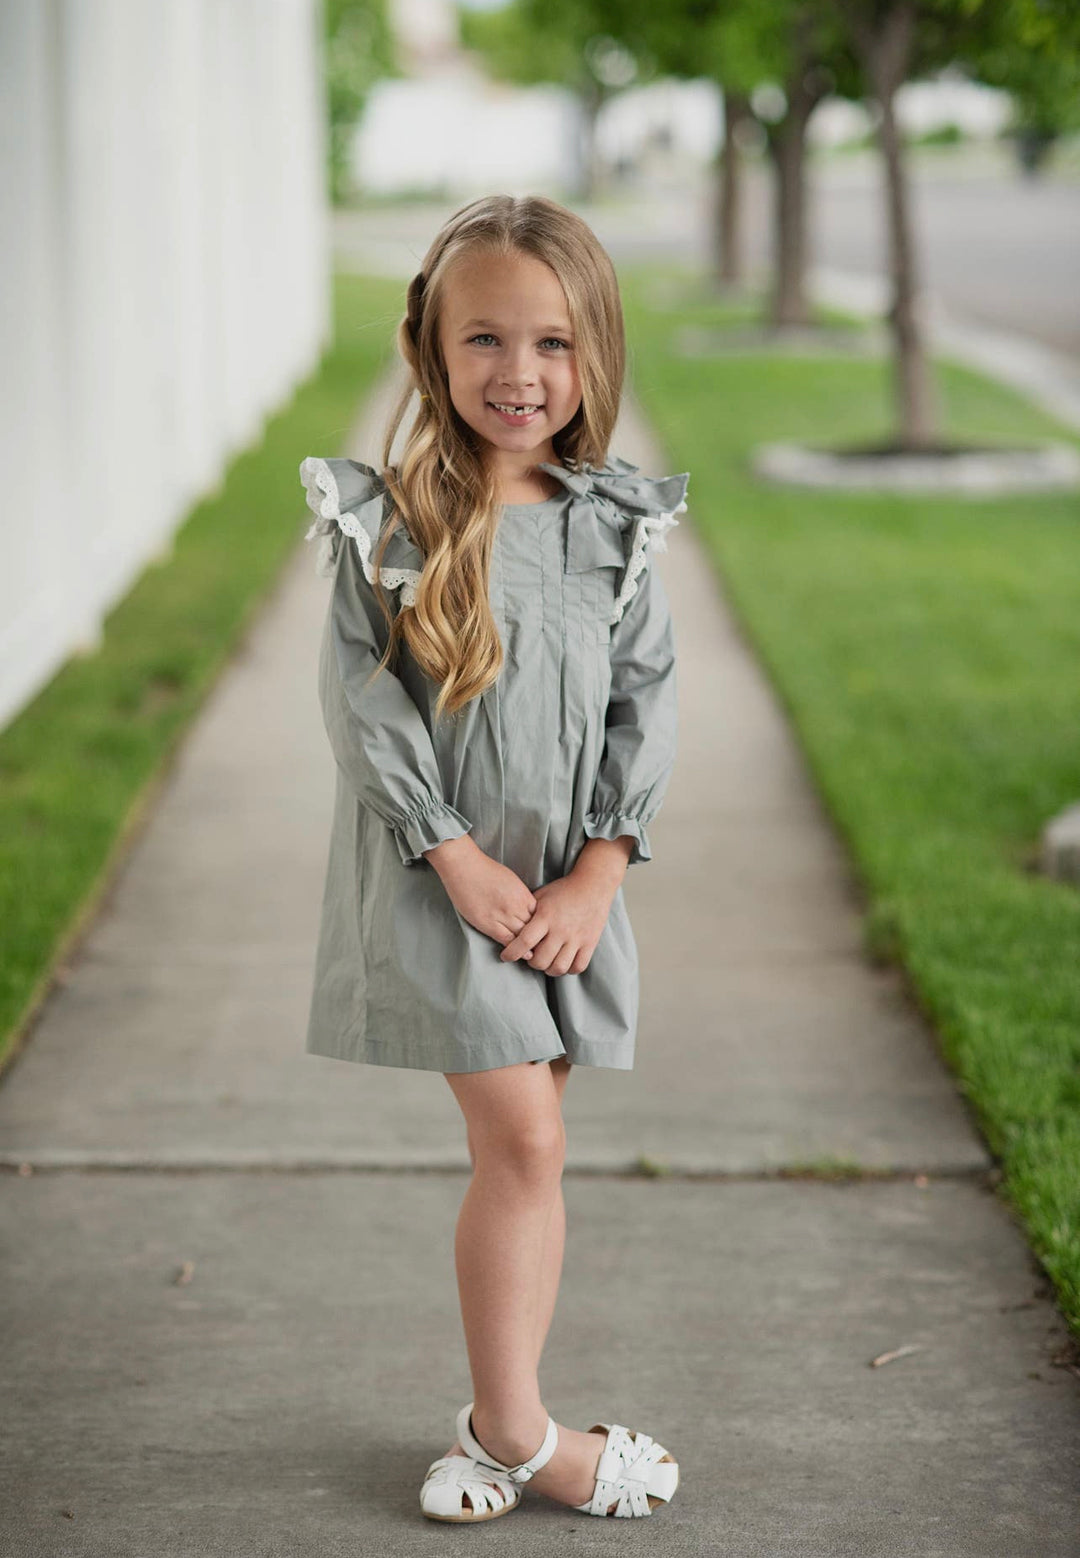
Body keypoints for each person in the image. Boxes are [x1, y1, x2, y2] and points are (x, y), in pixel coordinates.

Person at [298, 193, 688, 1523]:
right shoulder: (390, 519)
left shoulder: (615, 523)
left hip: (563, 892)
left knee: (532, 1150)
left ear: (595, 353)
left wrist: (600, 873)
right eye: (485, 338)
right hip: (443, 883)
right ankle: (530, 1435)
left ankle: (485, 1429)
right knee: (521, 1135)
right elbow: (364, 703)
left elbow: (646, 699)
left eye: (552, 342)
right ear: (431, 345)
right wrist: (451, 852)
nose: (520, 372)